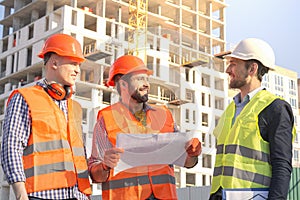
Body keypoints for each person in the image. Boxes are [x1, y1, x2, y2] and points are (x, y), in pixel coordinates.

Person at [88, 55, 201, 200]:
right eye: (140, 79)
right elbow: (94, 174)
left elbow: (187, 162)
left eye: (147, 79)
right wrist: (104, 165)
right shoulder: (106, 118)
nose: (147, 84)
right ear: (123, 84)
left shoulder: (164, 115)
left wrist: (192, 153)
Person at [1, 33, 92, 200]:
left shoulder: (75, 107)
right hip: (41, 195)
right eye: (73, 63)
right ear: (54, 63)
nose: (78, 70)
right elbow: (11, 148)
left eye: (78, 65)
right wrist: (21, 195)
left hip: (78, 195)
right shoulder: (25, 97)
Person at [209, 38, 295, 200]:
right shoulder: (230, 109)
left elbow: (282, 165)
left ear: (252, 69)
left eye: (234, 63)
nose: (228, 69)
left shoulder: (275, 108)